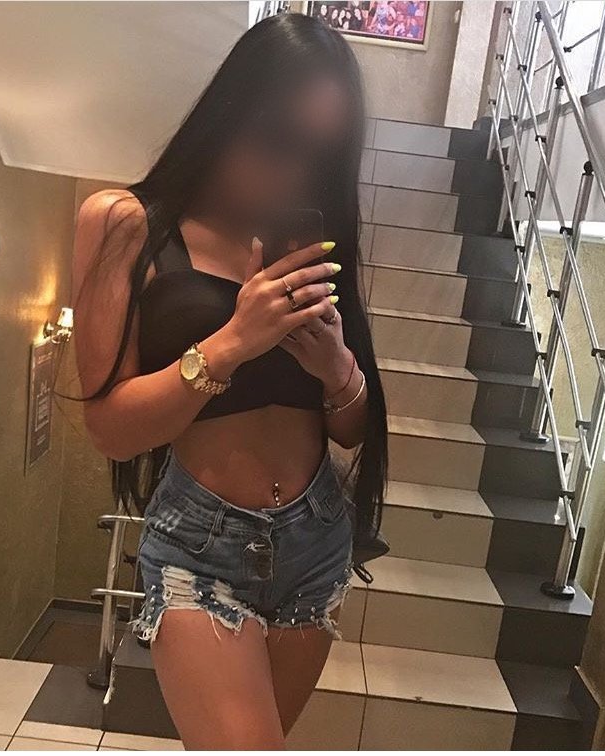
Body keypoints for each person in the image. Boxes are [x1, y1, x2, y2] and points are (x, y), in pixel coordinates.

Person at [73, 12, 387, 750]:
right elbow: (110, 428)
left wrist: (337, 370)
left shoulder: (310, 244)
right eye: (279, 138)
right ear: (231, 108)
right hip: (199, 545)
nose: (294, 171)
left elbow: (351, 431)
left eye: (321, 153)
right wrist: (233, 342)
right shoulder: (126, 223)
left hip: (315, 539)